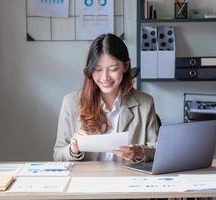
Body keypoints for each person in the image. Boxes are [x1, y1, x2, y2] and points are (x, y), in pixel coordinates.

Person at [53, 33, 159, 162]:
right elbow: (58, 155)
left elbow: (157, 151)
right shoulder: (70, 102)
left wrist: (139, 152)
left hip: (128, 179)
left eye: (113, 69)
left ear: (125, 66)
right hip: (87, 180)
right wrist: (73, 149)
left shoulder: (145, 103)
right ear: (90, 70)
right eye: (97, 70)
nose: (105, 78)